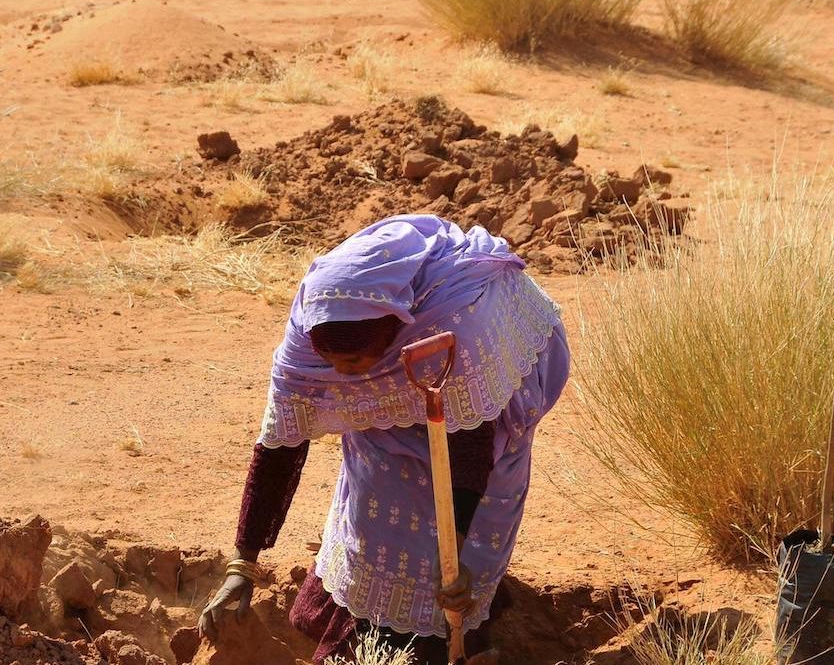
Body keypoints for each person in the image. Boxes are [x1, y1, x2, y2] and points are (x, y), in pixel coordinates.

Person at [197, 214, 570, 664]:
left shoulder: (454, 333)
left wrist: (450, 557)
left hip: (482, 419)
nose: (342, 377)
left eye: (354, 360)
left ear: (394, 335)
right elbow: (280, 445)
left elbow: (471, 453)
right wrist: (243, 564)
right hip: (402, 405)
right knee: (375, 502)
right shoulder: (307, 335)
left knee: (449, 573)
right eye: (329, 360)